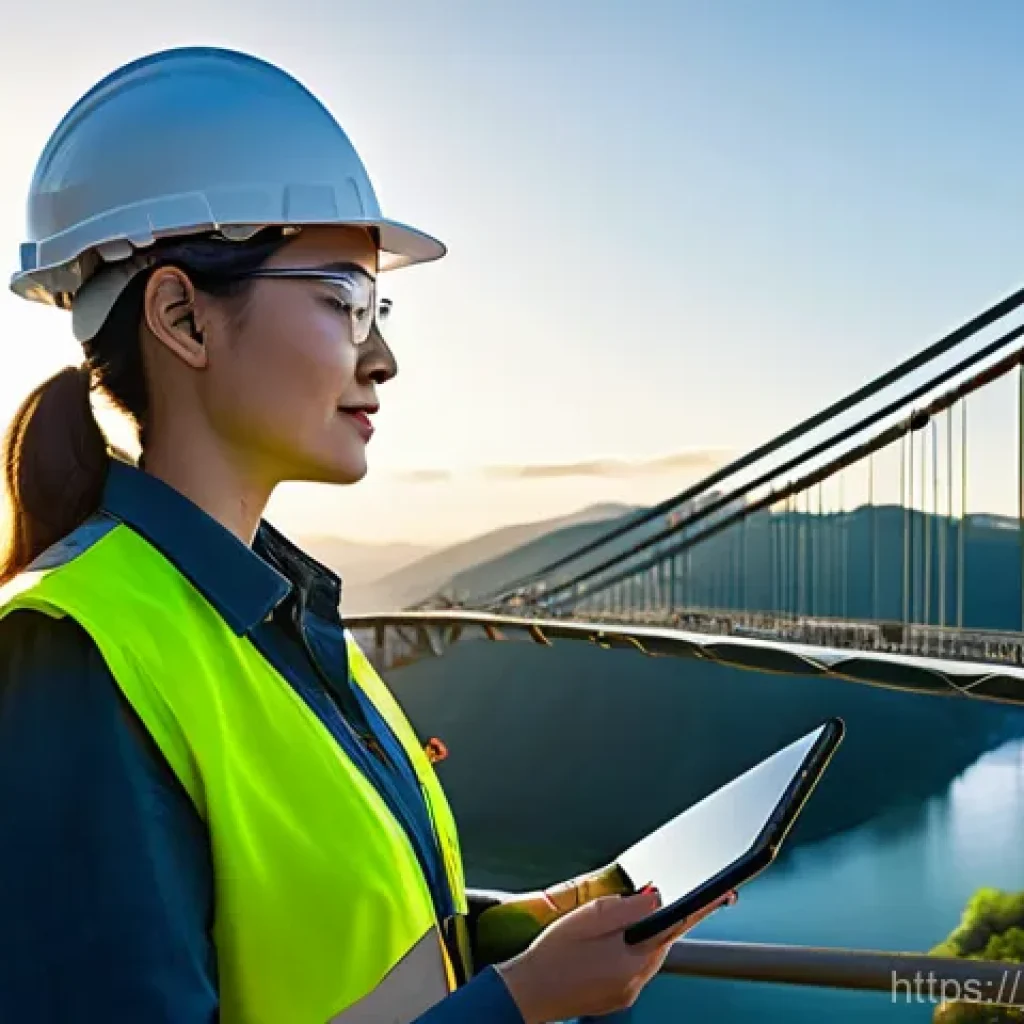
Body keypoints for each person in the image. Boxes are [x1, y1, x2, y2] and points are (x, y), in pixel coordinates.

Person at [0, 47, 732, 1023]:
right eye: (344, 301)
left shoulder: (289, 623)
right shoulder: (74, 659)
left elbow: (349, 952)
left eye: (376, 308)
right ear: (183, 316)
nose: (381, 357)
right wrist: (517, 1003)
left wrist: (531, 931)